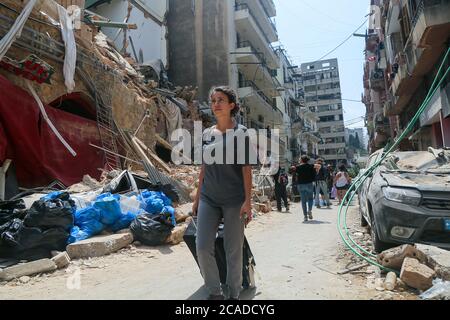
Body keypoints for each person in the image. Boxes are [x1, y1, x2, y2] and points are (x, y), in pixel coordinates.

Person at [192, 86, 254, 300]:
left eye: (221, 99)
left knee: (233, 249)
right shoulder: (207, 134)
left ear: (231, 105)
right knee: (202, 247)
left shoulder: (242, 133)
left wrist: (248, 202)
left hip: (234, 201)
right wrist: (197, 197)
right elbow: (204, 168)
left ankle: (234, 293)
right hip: (209, 197)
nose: (215, 104)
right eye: (213, 100)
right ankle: (215, 291)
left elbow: (247, 169)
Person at [295, 155, 316, 222]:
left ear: (301, 160)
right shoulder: (311, 166)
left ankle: (305, 216)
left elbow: (292, 172)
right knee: (310, 199)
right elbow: (314, 174)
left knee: (303, 201)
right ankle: (309, 210)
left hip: (301, 185)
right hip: (309, 184)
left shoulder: (298, 167)